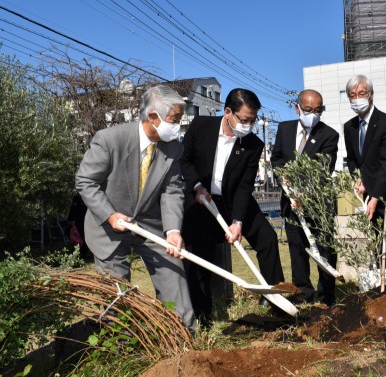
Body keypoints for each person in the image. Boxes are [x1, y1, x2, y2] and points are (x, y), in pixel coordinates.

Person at [76, 84, 195, 331]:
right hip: (109, 229)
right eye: (175, 119)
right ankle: (120, 346)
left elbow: (171, 190)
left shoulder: (173, 147)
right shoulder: (109, 139)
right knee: (117, 294)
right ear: (153, 117)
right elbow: (85, 181)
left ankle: (183, 336)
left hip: (152, 227)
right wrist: (109, 215)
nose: (178, 125)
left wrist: (173, 230)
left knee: (174, 274)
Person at [180, 88, 285, 325]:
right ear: (228, 112)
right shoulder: (200, 127)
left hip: (235, 201)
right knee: (200, 256)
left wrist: (237, 221)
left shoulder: (253, 145)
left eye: (253, 120)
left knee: (267, 238)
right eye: (245, 119)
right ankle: (202, 316)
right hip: (202, 201)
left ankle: (275, 300)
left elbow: (244, 186)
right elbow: (183, 160)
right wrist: (197, 185)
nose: (249, 125)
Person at [271, 89, 339, 306]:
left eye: (318, 110)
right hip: (290, 203)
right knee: (297, 248)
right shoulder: (284, 129)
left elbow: (322, 169)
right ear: (298, 108)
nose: (313, 114)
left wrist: (302, 191)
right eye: (308, 110)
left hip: (318, 203)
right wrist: (284, 178)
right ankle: (303, 292)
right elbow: (277, 159)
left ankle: (327, 295)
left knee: (324, 248)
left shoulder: (329, 135)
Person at [343, 74, 386, 281]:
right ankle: (381, 281)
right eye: (353, 95)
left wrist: (376, 195)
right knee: (376, 237)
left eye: (362, 93)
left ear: (371, 95)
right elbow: (352, 159)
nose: (357, 98)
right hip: (368, 192)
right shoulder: (349, 127)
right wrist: (357, 179)